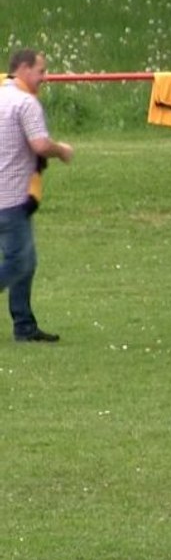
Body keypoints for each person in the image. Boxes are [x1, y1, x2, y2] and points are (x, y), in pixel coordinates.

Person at [1, 49, 72, 343]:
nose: (45, 77)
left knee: (25, 261)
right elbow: (40, 145)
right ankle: (24, 325)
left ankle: (24, 325)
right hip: (11, 198)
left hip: (10, 196)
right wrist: (62, 151)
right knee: (20, 262)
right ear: (24, 69)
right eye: (41, 71)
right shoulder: (25, 103)